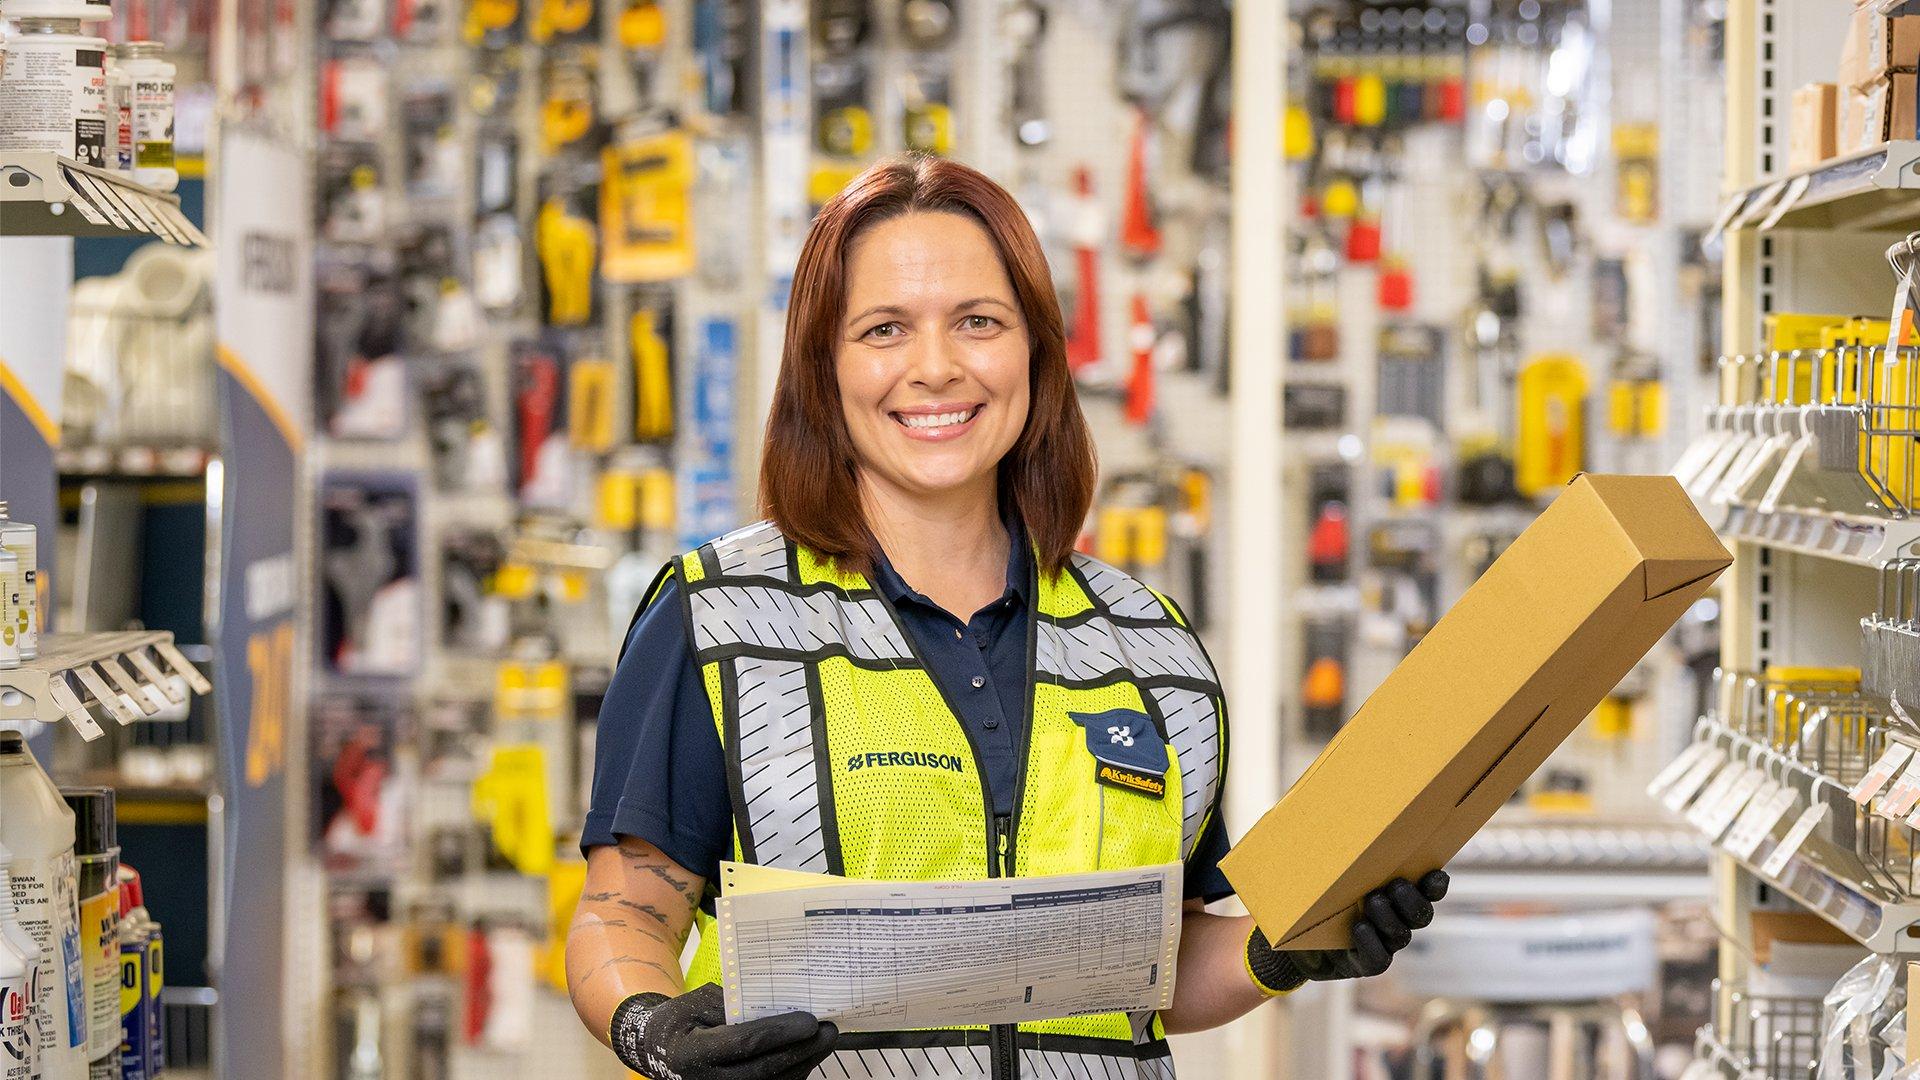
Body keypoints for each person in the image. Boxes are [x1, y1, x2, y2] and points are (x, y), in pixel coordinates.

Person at [565, 155, 1449, 1080]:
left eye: (978, 322)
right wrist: (651, 1028)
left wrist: (1286, 946)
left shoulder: (1152, 647)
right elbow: (623, 912)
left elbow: (1155, 966)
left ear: (1035, 351)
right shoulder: (720, 619)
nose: (936, 367)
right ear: (824, 367)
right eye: (883, 330)